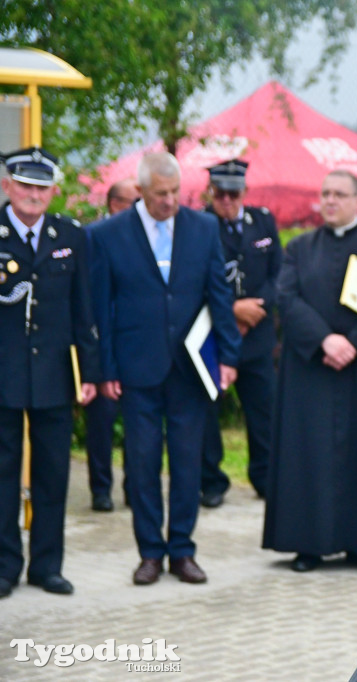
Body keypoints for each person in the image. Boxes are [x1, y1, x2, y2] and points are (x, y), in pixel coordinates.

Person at [90, 152, 241, 586]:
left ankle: (182, 550)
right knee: (141, 463)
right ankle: (149, 553)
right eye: (161, 194)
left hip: (190, 368)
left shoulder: (203, 227)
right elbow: (102, 306)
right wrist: (105, 370)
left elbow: (219, 296)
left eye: (176, 192)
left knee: (188, 462)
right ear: (140, 192)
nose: (170, 201)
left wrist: (227, 357)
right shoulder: (108, 235)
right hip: (135, 367)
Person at [262, 170, 357, 573]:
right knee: (308, 453)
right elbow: (286, 299)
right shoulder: (299, 248)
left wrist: (355, 344)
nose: (330, 200)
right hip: (313, 369)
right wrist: (325, 340)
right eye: (325, 194)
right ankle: (308, 544)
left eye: (339, 194)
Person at [0, 147, 101, 598]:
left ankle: (47, 566)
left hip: (56, 376)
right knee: (2, 475)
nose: (34, 195)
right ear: (7, 185)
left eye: (42, 187)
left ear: (54, 190)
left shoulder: (71, 236)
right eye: (25, 185)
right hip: (3, 376)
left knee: (53, 474)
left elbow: (85, 309)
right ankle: (5, 567)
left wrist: (92, 374)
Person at [199, 160, 282, 507]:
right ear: (211, 193)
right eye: (220, 193)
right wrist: (233, 311)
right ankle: (211, 482)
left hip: (257, 335)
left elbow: (279, 273)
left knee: (264, 410)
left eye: (234, 193)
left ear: (245, 192)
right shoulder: (198, 225)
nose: (227, 200)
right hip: (214, 334)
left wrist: (255, 310)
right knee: (206, 411)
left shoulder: (262, 221)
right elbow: (191, 281)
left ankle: (265, 478)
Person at [84, 179, 139, 513]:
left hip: (133, 344)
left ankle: (135, 486)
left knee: (137, 422)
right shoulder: (93, 236)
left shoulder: (142, 238)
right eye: (132, 202)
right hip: (102, 340)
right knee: (101, 423)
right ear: (115, 203)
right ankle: (100, 489)